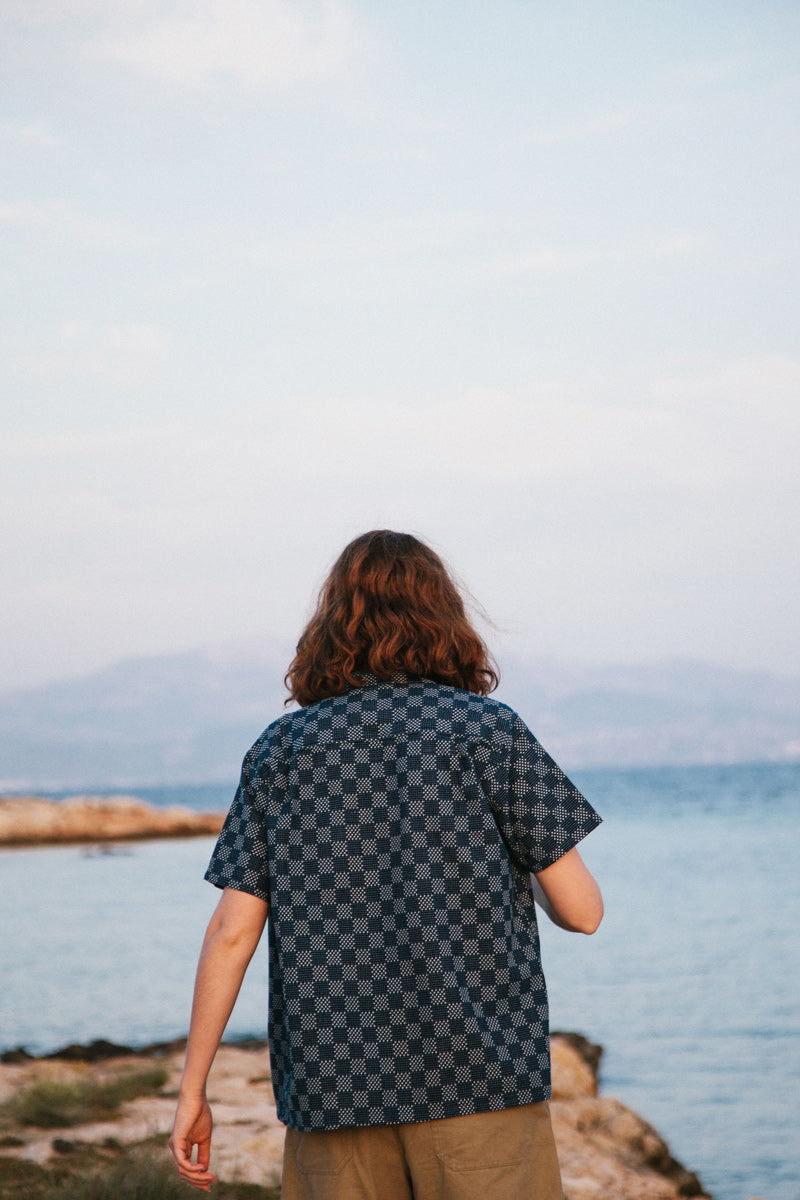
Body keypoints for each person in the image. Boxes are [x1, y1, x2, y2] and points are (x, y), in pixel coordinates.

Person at [170, 530, 603, 1199]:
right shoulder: (488, 731)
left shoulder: (279, 750)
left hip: (332, 1088)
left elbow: (232, 930)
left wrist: (193, 1089)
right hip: (480, 1081)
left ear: (331, 626)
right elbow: (583, 912)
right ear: (443, 618)